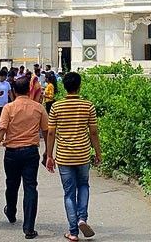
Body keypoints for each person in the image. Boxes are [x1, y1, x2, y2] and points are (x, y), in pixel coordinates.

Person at [0, 76, 50, 240]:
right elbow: (47, 131)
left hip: (12, 152)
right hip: (30, 152)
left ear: (14, 91)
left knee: (11, 184)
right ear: (30, 90)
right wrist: (48, 152)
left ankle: (11, 210)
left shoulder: (9, 108)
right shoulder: (38, 107)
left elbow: (1, 130)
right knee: (30, 187)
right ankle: (29, 228)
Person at [46, 72, 103, 242]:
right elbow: (93, 132)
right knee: (84, 186)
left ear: (64, 86)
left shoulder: (56, 107)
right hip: (83, 154)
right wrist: (98, 152)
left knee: (69, 193)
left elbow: (50, 132)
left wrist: (49, 155)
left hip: (64, 156)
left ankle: (73, 232)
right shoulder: (88, 106)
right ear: (79, 86)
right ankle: (82, 218)